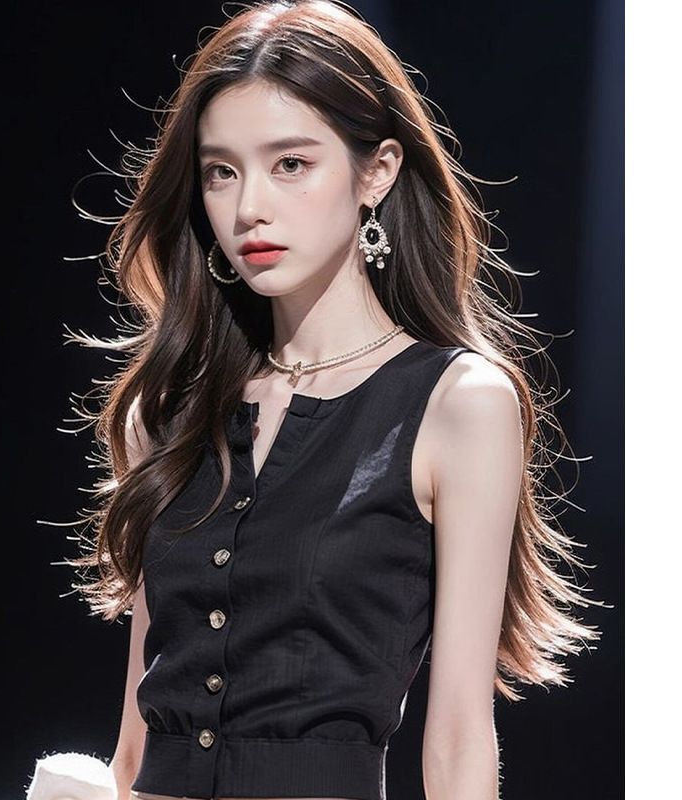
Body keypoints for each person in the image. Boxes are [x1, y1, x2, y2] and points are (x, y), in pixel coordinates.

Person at [66, 1, 599, 798]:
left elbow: (459, 738)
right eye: (220, 171)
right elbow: (136, 739)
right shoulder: (172, 411)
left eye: (290, 164)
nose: (248, 207)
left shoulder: (457, 404)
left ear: (376, 171)